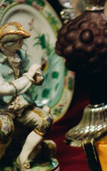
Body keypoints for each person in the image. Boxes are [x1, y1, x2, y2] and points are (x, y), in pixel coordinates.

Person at [0, 22, 53, 170]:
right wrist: (29, 77)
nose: (22, 44)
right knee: (4, 129)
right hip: (2, 109)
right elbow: (4, 88)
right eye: (19, 42)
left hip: (22, 105)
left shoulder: (21, 55)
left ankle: (23, 157)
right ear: (6, 45)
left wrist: (37, 77)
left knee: (45, 120)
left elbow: (32, 70)